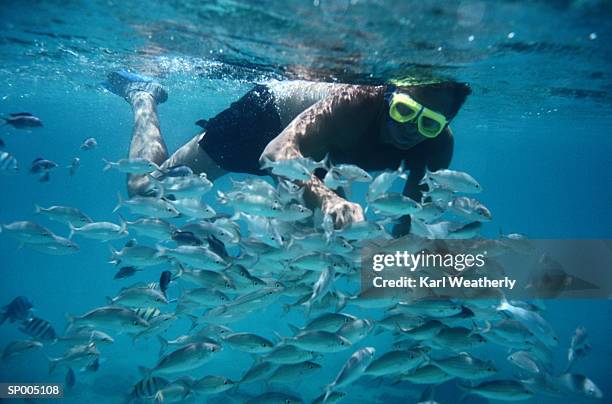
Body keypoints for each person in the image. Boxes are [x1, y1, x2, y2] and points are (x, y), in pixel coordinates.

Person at [104, 71, 470, 237]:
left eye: (429, 123)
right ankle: (143, 96)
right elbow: (277, 153)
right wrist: (326, 201)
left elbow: (405, 221)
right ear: (389, 96)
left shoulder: (438, 148)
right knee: (145, 190)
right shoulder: (356, 103)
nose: (411, 129)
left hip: (320, 162)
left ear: (446, 123)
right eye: (404, 111)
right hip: (266, 125)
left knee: (309, 248)